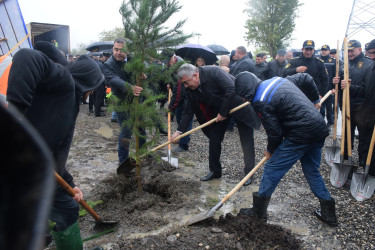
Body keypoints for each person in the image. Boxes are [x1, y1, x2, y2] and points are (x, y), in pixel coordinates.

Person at [7, 41, 105, 249]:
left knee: (68, 207)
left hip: (43, 170)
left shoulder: (69, 102)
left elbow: (56, 148)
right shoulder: (66, 83)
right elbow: (27, 56)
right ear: (89, 83)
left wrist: (70, 181)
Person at [235, 72, 338, 227]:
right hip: (318, 128)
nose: (243, 100)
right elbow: (306, 77)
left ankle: (258, 212)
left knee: (271, 168)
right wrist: (316, 100)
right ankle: (329, 213)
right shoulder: (278, 80)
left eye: (243, 96)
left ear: (248, 90)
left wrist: (270, 150)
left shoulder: (260, 101)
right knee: (312, 170)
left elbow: (275, 134)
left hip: (301, 134)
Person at [170, 64, 261, 186]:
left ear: (195, 75)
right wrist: (179, 131)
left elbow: (231, 89)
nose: (186, 86)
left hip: (239, 103)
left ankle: (249, 173)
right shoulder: (190, 89)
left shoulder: (214, 72)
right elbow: (188, 110)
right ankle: (215, 171)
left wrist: (224, 112)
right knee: (214, 138)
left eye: (187, 83)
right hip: (219, 110)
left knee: (246, 139)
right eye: (184, 84)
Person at [102, 38, 146, 166]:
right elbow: (115, 80)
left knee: (141, 128)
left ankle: (143, 155)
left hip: (137, 100)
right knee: (126, 130)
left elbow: (141, 67)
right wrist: (130, 88)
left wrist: (142, 72)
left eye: (122, 50)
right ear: (113, 49)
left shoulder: (132, 59)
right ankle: (123, 161)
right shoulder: (108, 65)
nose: (118, 53)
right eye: (116, 49)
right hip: (121, 102)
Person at [332, 40, 374, 171]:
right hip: (346, 105)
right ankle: (345, 158)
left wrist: (350, 87)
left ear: (360, 50)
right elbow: (339, 86)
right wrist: (335, 83)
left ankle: (363, 161)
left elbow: (367, 89)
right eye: (348, 51)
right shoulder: (345, 65)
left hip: (362, 108)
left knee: (364, 137)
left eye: (352, 50)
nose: (349, 53)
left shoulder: (369, 64)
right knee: (346, 134)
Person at [284, 40, 329, 105]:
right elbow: (284, 73)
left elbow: (325, 80)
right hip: (297, 96)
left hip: (314, 97)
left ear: (314, 50)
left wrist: (321, 95)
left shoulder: (319, 63)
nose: (308, 52)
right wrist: (296, 70)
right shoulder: (294, 61)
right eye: (306, 49)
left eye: (310, 50)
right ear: (302, 49)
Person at [319, 45, 336, 126]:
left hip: (330, 87)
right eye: (322, 50)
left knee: (329, 107)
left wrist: (334, 87)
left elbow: (336, 74)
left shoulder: (333, 61)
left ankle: (330, 122)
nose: (324, 51)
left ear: (329, 51)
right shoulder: (318, 60)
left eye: (325, 50)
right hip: (321, 88)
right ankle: (321, 122)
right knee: (320, 106)